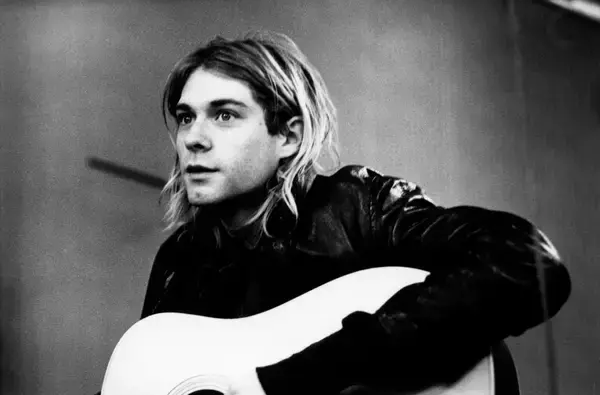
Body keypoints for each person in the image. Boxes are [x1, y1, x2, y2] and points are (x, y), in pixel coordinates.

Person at [137, 31, 570, 395]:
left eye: (224, 115)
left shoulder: (354, 207)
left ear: (288, 137)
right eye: (186, 117)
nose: (193, 138)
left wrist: (309, 373)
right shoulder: (180, 264)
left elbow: (525, 260)